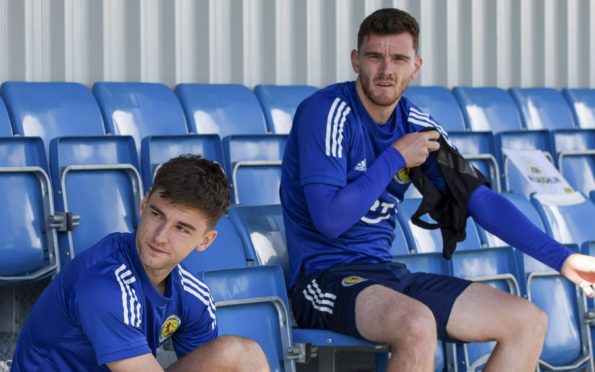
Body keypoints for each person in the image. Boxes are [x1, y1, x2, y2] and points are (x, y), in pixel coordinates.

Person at [280, 8, 595, 371]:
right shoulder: (327, 112)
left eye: (399, 58)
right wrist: (395, 158)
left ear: (416, 66)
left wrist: (562, 258)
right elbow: (330, 220)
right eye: (374, 56)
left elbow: (480, 200)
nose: (386, 70)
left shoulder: (416, 124)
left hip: (386, 275)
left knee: (527, 320)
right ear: (355, 61)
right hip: (323, 279)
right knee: (416, 323)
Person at [11, 155, 269, 372]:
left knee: (243, 355)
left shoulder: (192, 295)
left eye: (182, 228)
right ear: (144, 204)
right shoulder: (102, 283)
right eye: (157, 214)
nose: (160, 237)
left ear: (205, 241)